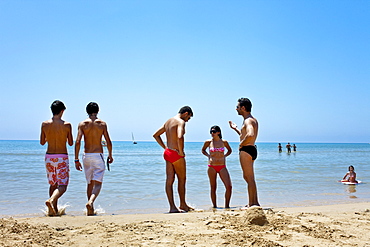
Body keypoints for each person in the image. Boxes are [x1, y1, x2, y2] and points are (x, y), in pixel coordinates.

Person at [74, 102, 113, 216]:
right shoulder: (102, 124)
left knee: (89, 183)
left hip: (86, 155)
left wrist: (76, 159)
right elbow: (108, 141)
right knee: (98, 184)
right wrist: (110, 155)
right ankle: (91, 202)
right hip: (98, 155)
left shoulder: (82, 124)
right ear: (98, 110)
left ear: (87, 110)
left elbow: (77, 142)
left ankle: (90, 208)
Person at [153, 106, 194, 213]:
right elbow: (180, 137)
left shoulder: (168, 121)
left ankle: (172, 207)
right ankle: (183, 205)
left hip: (168, 153)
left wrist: (165, 147)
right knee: (182, 179)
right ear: (185, 113)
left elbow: (156, 135)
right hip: (176, 153)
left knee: (169, 180)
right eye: (188, 118)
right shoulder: (180, 122)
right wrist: (180, 151)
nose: (187, 120)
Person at [40, 100, 73, 216]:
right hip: (62, 156)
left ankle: (53, 209)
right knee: (63, 185)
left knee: (53, 183)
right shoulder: (67, 125)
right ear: (62, 111)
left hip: (49, 156)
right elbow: (70, 143)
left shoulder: (44, 124)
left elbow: (42, 142)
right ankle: (51, 201)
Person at [229, 97, 260, 208]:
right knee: (248, 177)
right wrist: (236, 129)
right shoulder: (251, 119)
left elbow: (250, 134)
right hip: (251, 149)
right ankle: (253, 202)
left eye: (237, 107)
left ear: (243, 107)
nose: (236, 109)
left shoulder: (248, 121)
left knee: (249, 178)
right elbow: (245, 134)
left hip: (246, 150)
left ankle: (253, 203)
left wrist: (241, 144)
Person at [201, 126, 232, 208]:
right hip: (212, 167)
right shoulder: (208, 142)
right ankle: (214, 206)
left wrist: (224, 156)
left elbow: (230, 150)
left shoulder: (224, 142)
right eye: (211, 131)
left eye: (214, 131)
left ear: (218, 132)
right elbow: (203, 150)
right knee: (213, 187)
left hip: (222, 166)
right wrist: (208, 156)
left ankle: (227, 206)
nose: (212, 133)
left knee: (229, 186)